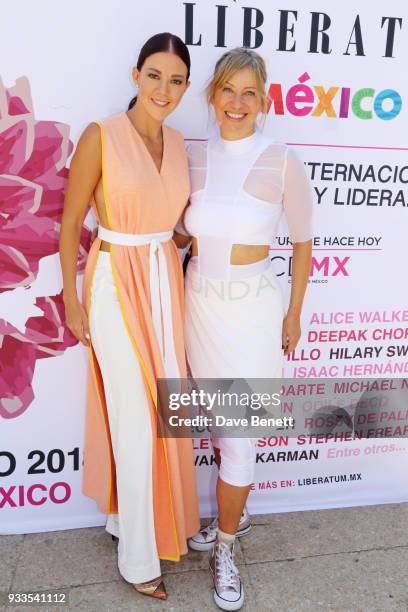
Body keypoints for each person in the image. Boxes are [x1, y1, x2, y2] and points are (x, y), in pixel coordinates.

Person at [59, 32, 200, 601]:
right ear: (136, 75)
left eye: (176, 80)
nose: (164, 89)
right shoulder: (101, 135)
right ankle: (138, 557)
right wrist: (70, 299)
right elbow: (71, 224)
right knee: (135, 417)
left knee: (165, 410)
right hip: (116, 279)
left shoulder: (180, 143)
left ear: (186, 87)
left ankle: (126, 519)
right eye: (154, 76)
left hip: (166, 276)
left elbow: (175, 222)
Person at [174, 48, 313, 610]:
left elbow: (302, 243)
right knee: (215, 418)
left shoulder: (281, 159)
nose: (237, 103)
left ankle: (225, 548)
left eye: (249, 92)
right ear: (212, 95)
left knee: (239, 438)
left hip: (253, 311)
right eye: (227, 90)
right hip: (197, 306)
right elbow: (181, 234)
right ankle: (239, 510)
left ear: (264, 100)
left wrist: (294, 313)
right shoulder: (194, 157)